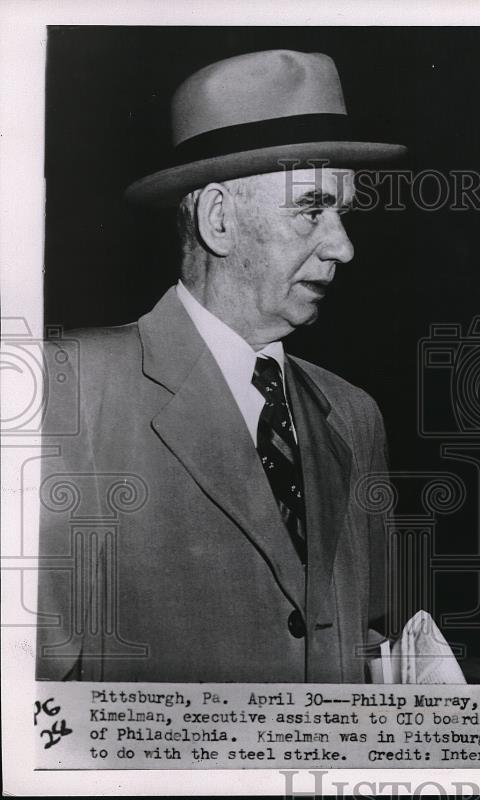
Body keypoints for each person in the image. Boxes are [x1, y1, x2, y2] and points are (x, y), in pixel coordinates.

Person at [36, 50, 405, 682]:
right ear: (218, 220)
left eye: (344, 213)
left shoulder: (352, 414)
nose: (343, 245)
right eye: (312, 208)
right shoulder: (64, 390)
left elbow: (373, 643)